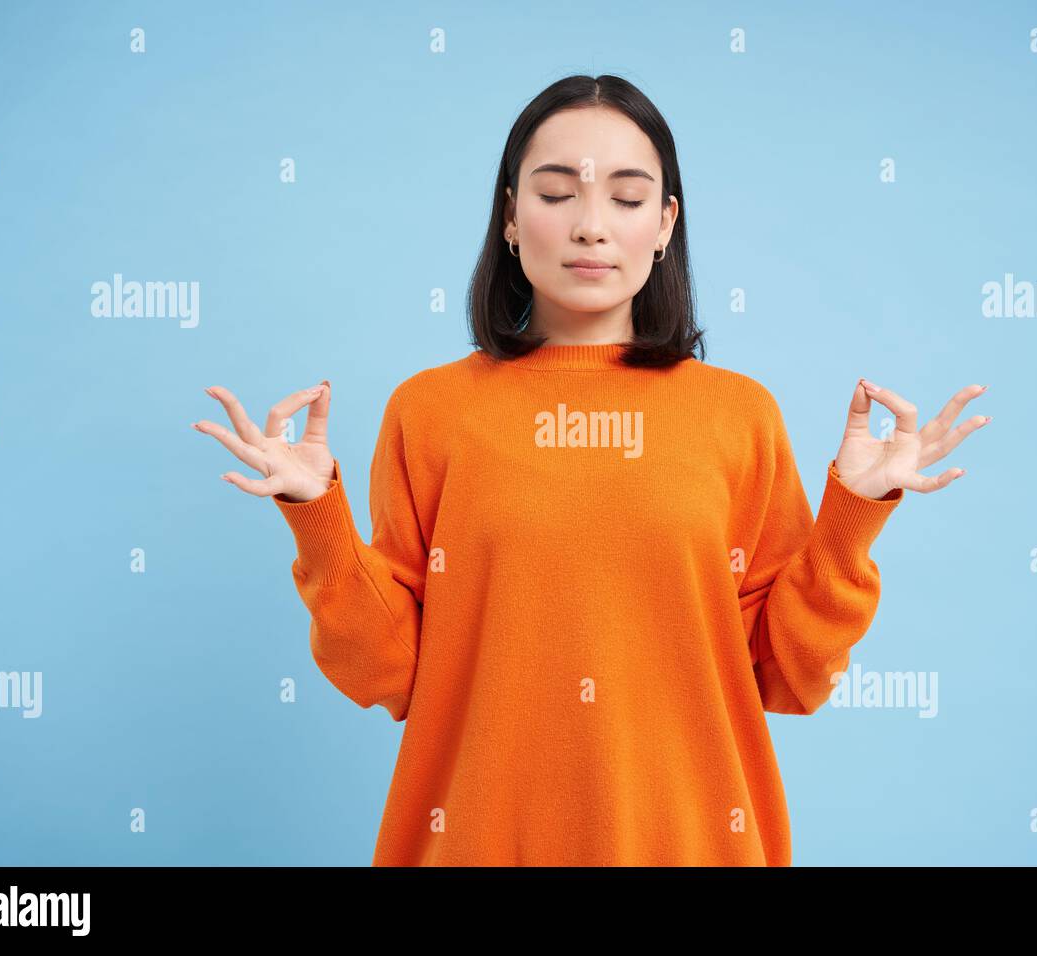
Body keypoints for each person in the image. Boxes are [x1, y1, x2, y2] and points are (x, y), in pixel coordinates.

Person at [192, 74, 989, 866]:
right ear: (509, 215)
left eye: (628, 197)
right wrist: (317, 520)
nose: (591, 227)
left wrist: (854, 511)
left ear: (666, 224)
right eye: (556, 193)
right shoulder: (430, 412)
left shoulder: (737, 415)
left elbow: (788, 676)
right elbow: (396, 671)